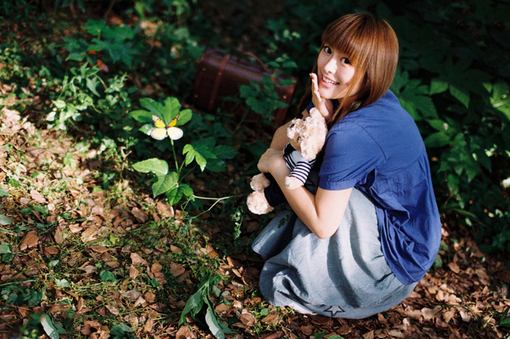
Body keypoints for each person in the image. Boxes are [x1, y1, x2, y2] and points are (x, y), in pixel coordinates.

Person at [251, 12, 442, 319]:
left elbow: (323, 225)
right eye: (328, 49)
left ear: (372, 72)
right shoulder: (349, 98)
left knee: (320, 181)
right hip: (397, 232)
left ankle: (321, 282)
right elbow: (283, 137)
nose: (328, 67)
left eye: (347, 61)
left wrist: (276, 166)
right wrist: (318, 117)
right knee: (312, 157)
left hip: (391, 265)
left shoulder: (354, 132)